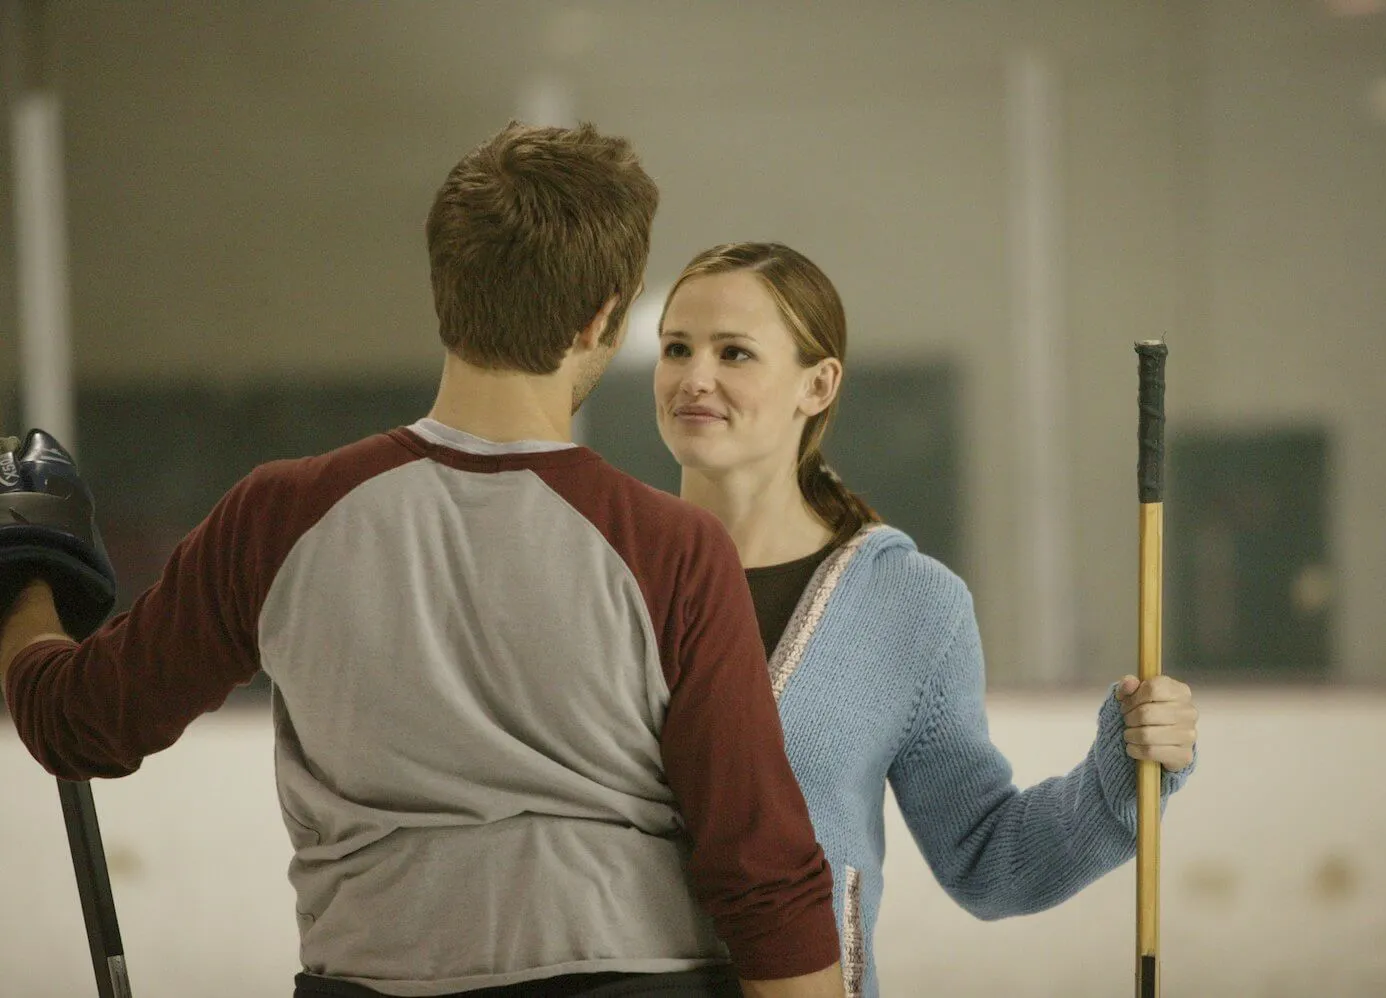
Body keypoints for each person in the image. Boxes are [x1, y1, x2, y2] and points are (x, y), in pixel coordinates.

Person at [0, 127, 846, 998]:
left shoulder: (278, 517)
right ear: (602, 318)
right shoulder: (670, 547)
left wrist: (27, 572)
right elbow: (761, 869)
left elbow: (77, 722)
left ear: (448, 286)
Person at [652, 242, 1200, 998]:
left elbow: (986, 859)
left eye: (734, 352)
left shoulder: (909, 606)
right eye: (675, 347)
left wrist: (1124, 777)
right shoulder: (603, 571)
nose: (693, 378)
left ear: (818, 384)